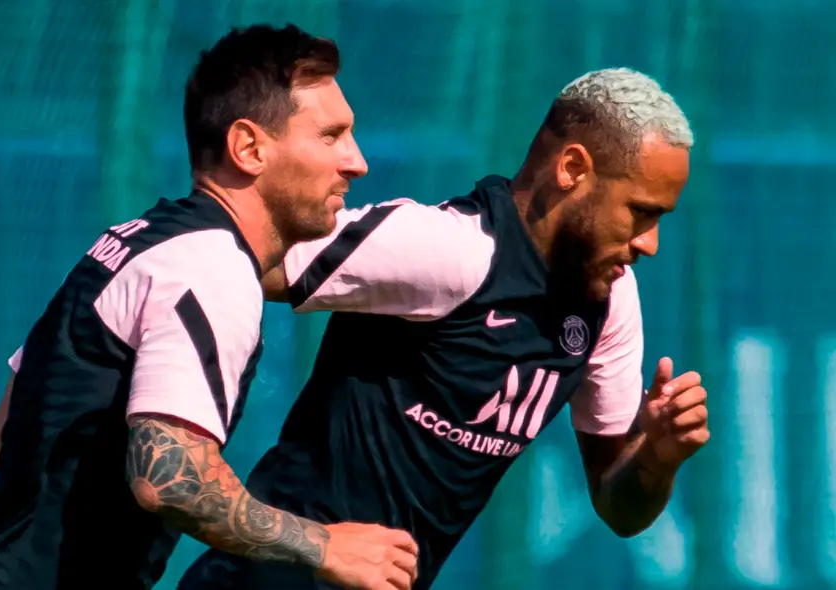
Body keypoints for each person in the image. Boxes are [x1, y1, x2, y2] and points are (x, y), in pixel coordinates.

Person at [0, 23, 421, 590]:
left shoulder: (140, 241)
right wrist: (324, 545)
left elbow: (3, 430)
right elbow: (171, 479)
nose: (356, 162)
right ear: (249, 148)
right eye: (331, 136)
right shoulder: (210, 266)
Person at [177, 67, 712, 590]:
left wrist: (656, 458)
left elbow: (619, 508)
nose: (650, 244)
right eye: (640, 213)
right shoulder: (449, 250)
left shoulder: (609, 299)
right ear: (572, 167)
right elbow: (241, 251)